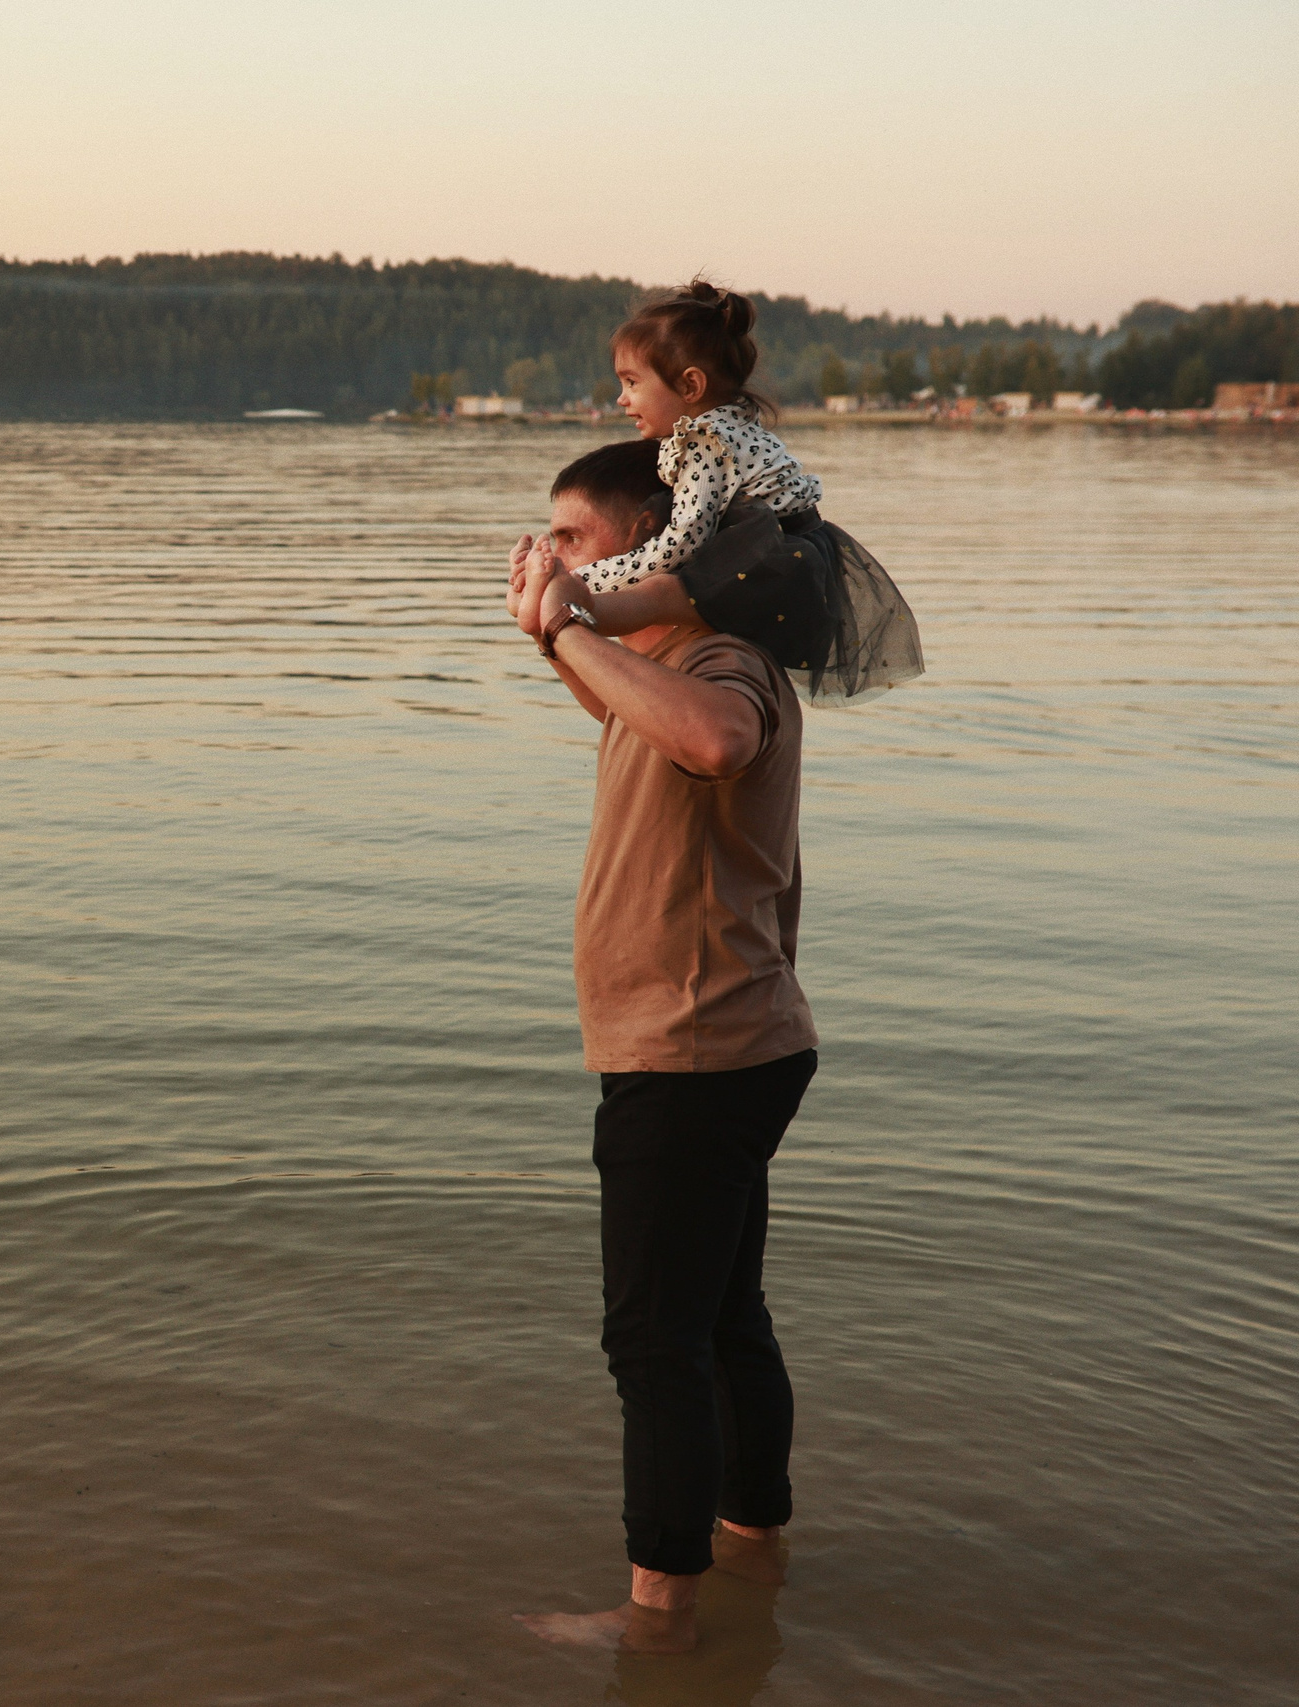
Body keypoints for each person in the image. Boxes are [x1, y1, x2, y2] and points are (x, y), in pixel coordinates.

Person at [506, 438, 820, 1656]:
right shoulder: (662, 660)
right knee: (723, 1315)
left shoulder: (722, 662)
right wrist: (556, 626)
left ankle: (658, 1615)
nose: (564, 560)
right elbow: (628, 699)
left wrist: (572, 628)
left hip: (695, 1051)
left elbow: (716, 741)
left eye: (577, 539)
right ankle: (753, 1541)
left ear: (655, 546)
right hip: (722, 1042)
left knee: (653, 1339)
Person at [560, 281, 923, 708]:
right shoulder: (734, 426)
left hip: (768, 561)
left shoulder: (705, 442)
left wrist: (588, 579)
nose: (621, 399)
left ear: (691, 386)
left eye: (632, 382)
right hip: (793, 553)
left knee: (662, 591)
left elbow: (682, 543)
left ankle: (569, 608)